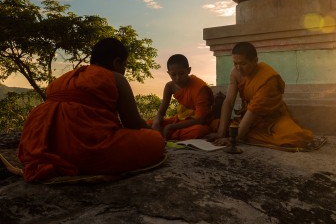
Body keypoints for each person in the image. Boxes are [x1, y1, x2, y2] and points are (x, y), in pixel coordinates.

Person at [18, 38, 165, 182]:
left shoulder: (62, 79)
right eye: (124, 65)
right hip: (83, 150)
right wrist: (153, 132)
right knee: (155, 141)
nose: (124, 70)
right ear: (117, 62)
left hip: (41, 148)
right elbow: (132, 123)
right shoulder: (116, 78)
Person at [206, 42, 314, 149]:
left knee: (295, 138)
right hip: (249, 119)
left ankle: (243, 134)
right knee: (215, 125)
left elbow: (253, 110)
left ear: (255, 61)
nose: (238, 68)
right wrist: (220, 132)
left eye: (243, 64)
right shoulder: (235, 73)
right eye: (235, 63)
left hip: (273, 120)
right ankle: (243, 133)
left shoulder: (267, 79)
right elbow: (229, 101)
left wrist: (233, 139)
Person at [151, 54, 214, 140]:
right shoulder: (170, 87)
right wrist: (156, 123)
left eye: (181, 73)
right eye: (173, 74)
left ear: (188, 70)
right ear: (168, 73)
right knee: (148, 124)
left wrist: (171, 127)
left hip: (197, 122)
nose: (178, 78)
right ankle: (165, 133)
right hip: (181, 120)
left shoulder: (200, 87)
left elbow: (200, 120)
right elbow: (161, 112)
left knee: (199, 131)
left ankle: (165, 134)